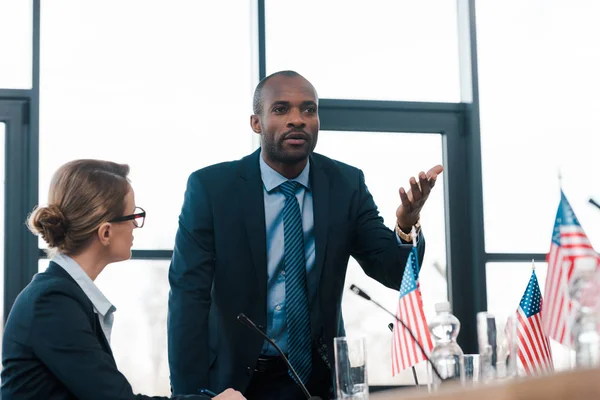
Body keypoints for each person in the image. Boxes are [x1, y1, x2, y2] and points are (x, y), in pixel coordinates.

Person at [167, 70, 444, 399]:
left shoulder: (346, 184)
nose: (297, 120)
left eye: (308, 110)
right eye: (281, 110)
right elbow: (188, 297)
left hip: (319, 382)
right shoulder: (212, 189)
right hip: (234, 383)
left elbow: (394, 272)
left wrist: (407, 223)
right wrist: (189, 395)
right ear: (256, 123)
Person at [1, 159, 244, 400]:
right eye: (132, 216)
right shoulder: (52, 303)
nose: (135, 227)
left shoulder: (62, 295)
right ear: (105, 232)